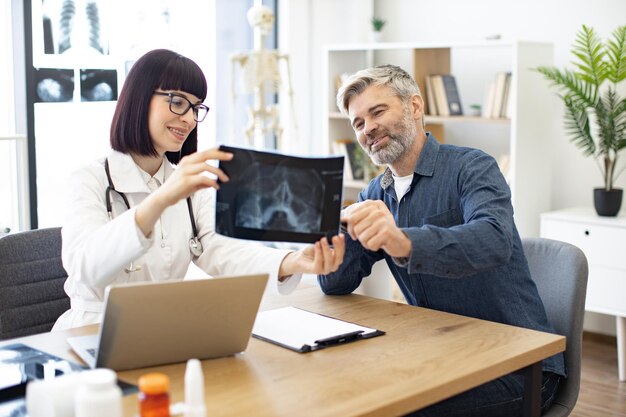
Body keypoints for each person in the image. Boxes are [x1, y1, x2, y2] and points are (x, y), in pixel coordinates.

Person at [318, 64, 564, 417]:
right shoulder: (375, 194)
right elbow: (334, 284)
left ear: (415, 107)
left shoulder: (473, 167)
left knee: (389, 406)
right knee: (346, 387)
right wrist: (336, 234)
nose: (368, 127)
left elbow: (494, 239)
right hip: (444, 351)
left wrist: (403, 241)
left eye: (378, 111)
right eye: (358, 123)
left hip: (519, 365)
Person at [53, 49, 344, 331]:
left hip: (159, 332)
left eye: (196, 107)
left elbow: (223, 251)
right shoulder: (89, 178)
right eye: (178, 102)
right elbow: (84, 268)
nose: (190, 119)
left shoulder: (186, 186)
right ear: (139, 99)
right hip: (91, 332)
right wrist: (161, 199)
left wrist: (292, 262)